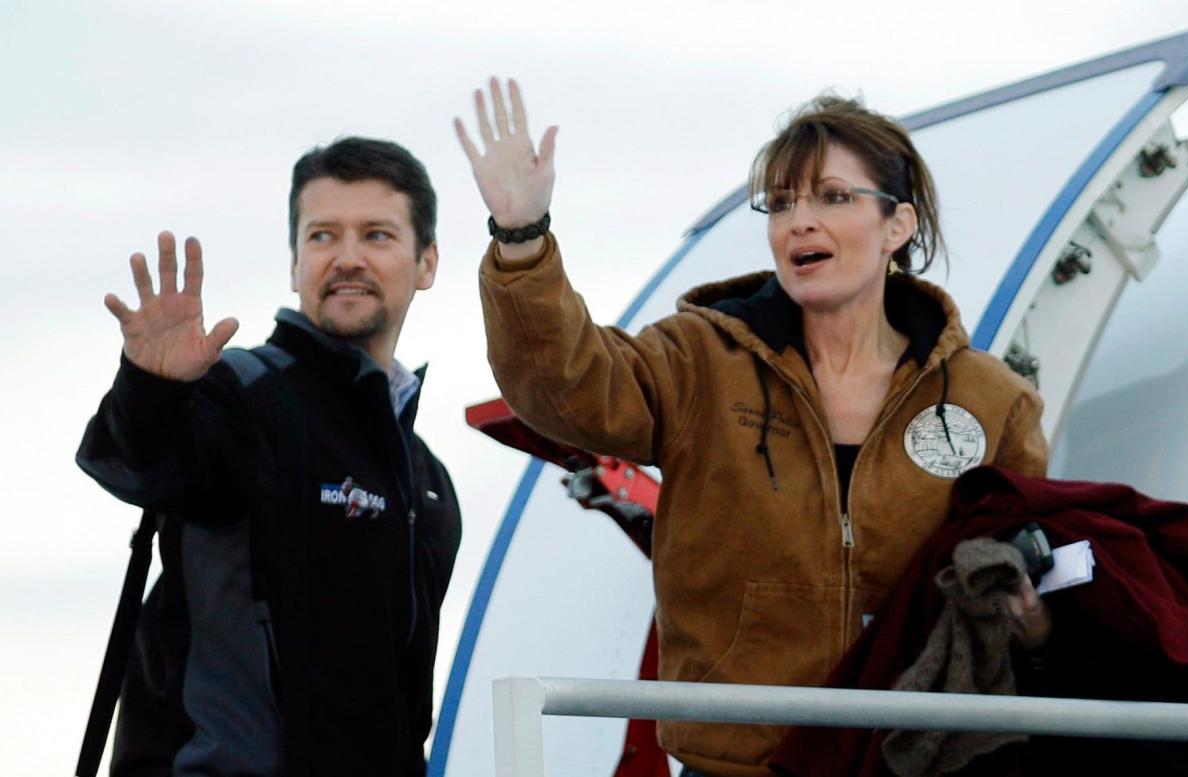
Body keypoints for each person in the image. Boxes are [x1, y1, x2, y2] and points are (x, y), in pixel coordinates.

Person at [456, 79, 1050, 777]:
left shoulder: (991, 399)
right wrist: (522, 240)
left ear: (899, 225)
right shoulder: (701, 358)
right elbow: (568, 388)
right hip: (735, 764)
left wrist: (1034, 619)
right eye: (782, 202)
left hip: (920, 760)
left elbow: (1036, 574)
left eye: (832, 197)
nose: (798, 221)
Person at [76, 137, 461, 776]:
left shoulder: (426, 482)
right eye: (321, 236)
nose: (347, 258)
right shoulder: (244, 393)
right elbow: (141, 463)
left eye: (377, 235)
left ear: (427, 262)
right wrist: (153, 388)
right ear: (293, 263)